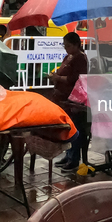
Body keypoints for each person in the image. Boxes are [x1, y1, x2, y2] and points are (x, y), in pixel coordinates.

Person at [49, 32, 88, 172]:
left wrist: (58, 79)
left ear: (77, 45)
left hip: (74, 99)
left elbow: (74, 78)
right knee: (66, 128)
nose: (66, 48)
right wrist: (56, 77)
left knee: (74, 128)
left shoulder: (80, 59)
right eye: (64, 45)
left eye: (69, 46)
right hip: (63, 98)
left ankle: (74, 159)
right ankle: (69, 155)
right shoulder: (69, 56)